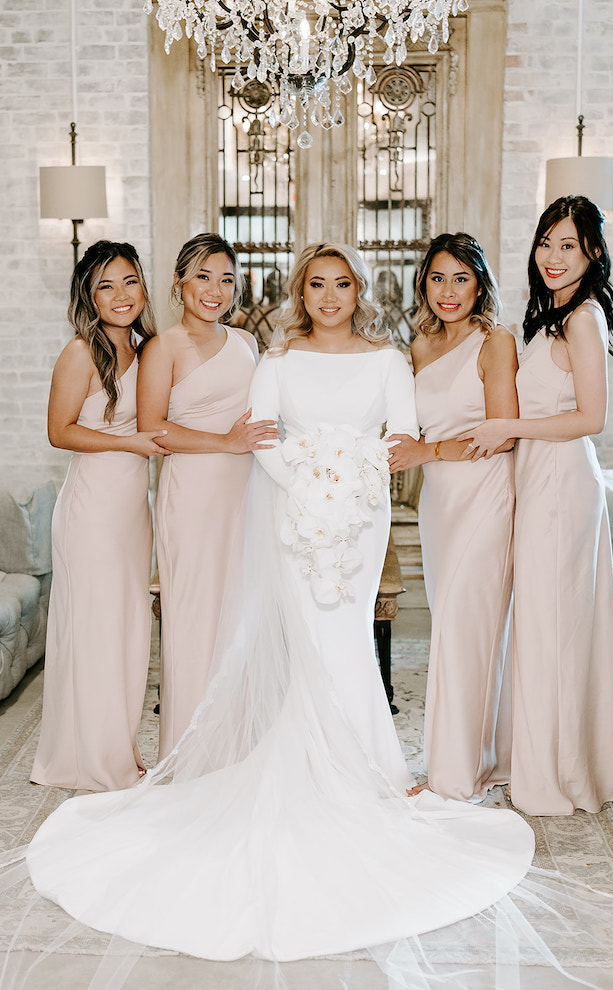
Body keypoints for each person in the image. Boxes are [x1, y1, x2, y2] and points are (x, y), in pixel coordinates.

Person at [20, 244, 534, 971]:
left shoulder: (390, 360)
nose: (329, 297)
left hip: (360, 519)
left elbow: (401, 440)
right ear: (301, 292)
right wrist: (309, 485)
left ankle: (371, 771)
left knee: (349, 638)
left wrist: (348, 488)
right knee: (303, 642)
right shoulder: (278, 362)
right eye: (316, 285)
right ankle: (299, 761)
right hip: (297, 515)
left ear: (361, 291)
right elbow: (261, 439)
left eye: (342, 284)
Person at [459, 196, 613, 815]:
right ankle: (541, 758)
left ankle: (555, 774)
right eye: (546, 243)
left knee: (551, 627)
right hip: (539, 479)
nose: (554, 257)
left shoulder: (583, 318)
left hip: (562, 485)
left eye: (568, 245)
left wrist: (508, 425)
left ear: (592, 252)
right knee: (538, 623)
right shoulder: (549, 318)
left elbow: (592, 418)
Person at [31, 240, 169, 791]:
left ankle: (116, 748)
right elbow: (59, 431)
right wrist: (131, 442)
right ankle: (87, 759)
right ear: (88, 293)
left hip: (133, 510)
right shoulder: (80, 353)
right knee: (94, 629)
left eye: (130, 281)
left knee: (127, 630)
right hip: (91, 512)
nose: (120, 295)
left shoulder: (149, 350)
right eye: (106, 285)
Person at [388, 233, 518, 803]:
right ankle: (468, 758)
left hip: (485, 497)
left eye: (461, 278)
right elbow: (411, 431)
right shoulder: (419, 347)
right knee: (453, 627)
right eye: (438, 278)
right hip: (439, 503)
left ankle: (454, 775)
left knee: (469, 629)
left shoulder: (496, 343)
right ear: (424, 284)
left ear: (480, 284)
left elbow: (503, 437)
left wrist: (424, 452)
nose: (448, 291)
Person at [137, 233, 278, 759]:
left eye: (226, 278)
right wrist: (225, 441)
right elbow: (153, 430)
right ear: (179, 282)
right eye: (203, 276)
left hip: (246, 492)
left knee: (240, 614)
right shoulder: (163, 347)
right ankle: (191, 752)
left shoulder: (245, 343)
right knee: (195, 615)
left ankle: (239, 747)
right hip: (193, 496)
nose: (215, 290)